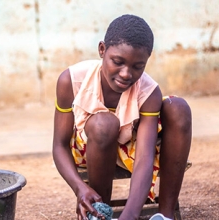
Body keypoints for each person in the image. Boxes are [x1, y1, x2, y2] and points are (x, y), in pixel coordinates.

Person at [52, 14, 192, 220]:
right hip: (88, 147)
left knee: (178, 107)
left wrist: (130, 215)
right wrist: (80, 188)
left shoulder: (148, 91)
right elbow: (59, 146)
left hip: (132, 148)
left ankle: (164, 216)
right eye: (118, 62)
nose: (126, 74)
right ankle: (99, 212)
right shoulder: (71, 80)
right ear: (102, 50)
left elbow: (144, 157)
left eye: (138, 66)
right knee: (104, 124)